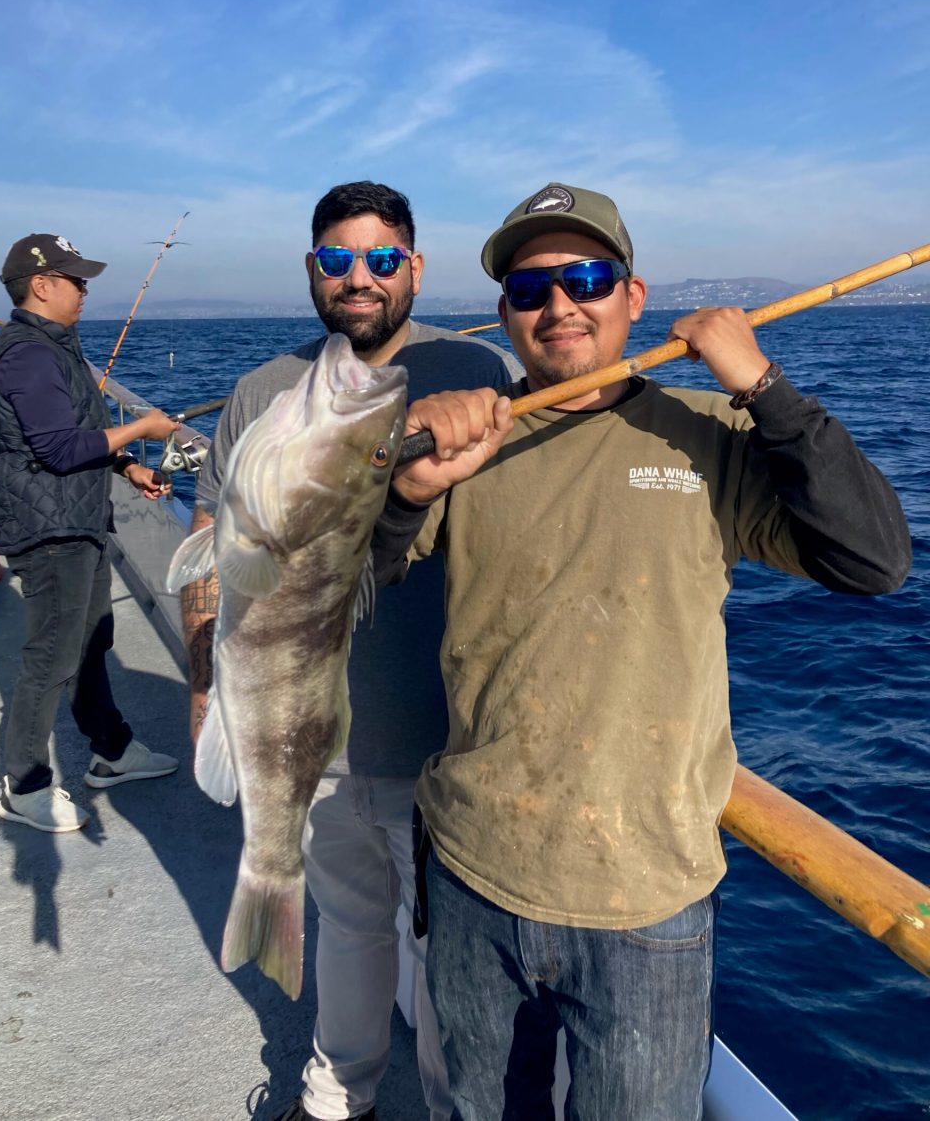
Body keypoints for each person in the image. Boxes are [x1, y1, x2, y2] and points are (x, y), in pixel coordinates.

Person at [371, 183, 912, 1121]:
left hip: (646, 898)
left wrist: (765, 388)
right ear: (506, 314)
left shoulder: (715, 431)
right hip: (470, 870)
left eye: (586, 277)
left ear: (632, 294)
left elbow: (872, 561)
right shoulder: (471, 435)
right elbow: (354, 578)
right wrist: (408, 490)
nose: (559, 304)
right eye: (531, 287)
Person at [181, 182, 522, 1121]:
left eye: (381, 259)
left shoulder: (479, 367)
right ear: (312, 271)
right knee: (350, 927)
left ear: (414, 266)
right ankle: (340, 1092)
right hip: (309, 741)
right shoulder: (259, 390)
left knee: (458, 956)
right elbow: (211, 539)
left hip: (444, 734)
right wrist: (207, 693)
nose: (359, 278)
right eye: (338, 260)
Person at [0, 233, 183, 834]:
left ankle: (112, 752)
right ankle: (24, 783)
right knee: (52, 655)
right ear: (41, 286)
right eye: (76, 280)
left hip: (81, 520)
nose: (85, 290)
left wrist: (130, 466)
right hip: (49, 531)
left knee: (91, 639)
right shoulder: (28, 355)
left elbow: (83, 429)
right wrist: (145, 427)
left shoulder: (56, 348)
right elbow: (61, 449)